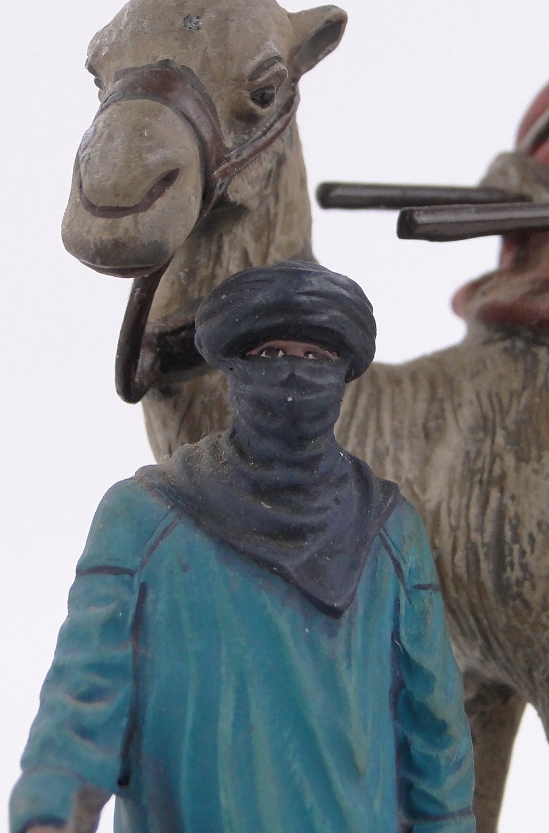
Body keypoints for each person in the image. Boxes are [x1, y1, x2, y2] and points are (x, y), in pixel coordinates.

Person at [10, 261, 475, 833]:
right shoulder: (143, 518)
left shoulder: (390, 530)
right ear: (232, 367)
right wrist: (51, 811)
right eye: (270, 355)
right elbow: (84, 694)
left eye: (316, 356)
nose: (293, 374)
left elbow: (434, 728)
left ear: (344, 373)